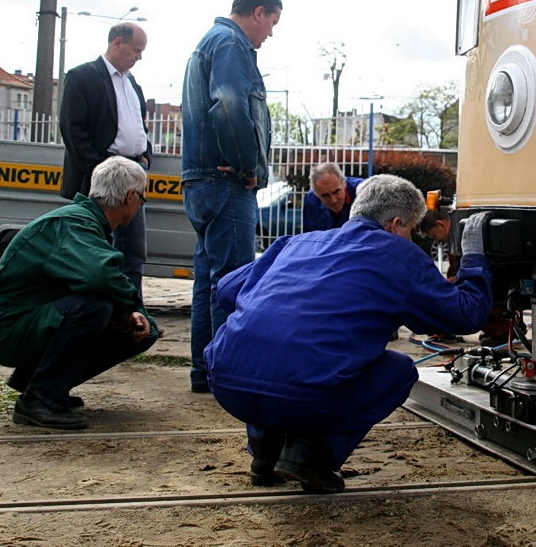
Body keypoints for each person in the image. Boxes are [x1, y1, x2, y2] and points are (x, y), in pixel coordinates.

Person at [204, 174, 493, 493]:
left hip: (226, 383)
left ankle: (264, 454)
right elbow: (467, 315)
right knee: (398, 371)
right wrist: (474, 256)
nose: (411, 239)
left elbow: (226, 289)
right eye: (411, 230)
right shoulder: (397, 254)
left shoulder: (297, 243)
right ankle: (311, 454)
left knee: (274, 348)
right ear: (396, 224)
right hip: (302, 395)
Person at [0, 157, 160, 430]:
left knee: (143, 329)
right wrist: (130, 310)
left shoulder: (83, 221)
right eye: (142, 199)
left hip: (27, 320)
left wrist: (133, 315)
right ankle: (40, 399)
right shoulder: (74, 224)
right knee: (93, 307)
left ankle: (42, 383)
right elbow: (100, 276)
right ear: (131, 197)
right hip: (7, 331)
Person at [180, 0, 283, 393]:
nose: (270, 34)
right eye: (272, 23)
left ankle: (206, 373)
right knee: (235, 281)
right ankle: (227, 375)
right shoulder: (230, 45)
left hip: (200, 181)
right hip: (226, 182)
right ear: (258, 12)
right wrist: (247, 166)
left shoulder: (209, 42)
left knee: (210, 280)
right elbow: (228, 103)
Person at [59, 22, 151, 297]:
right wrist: (102, 170)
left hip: (132, 175)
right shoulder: (82, 76)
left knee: (133, 253)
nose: (139, 57)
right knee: (93, 251)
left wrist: (145, 157)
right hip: (98, 179)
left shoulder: (132, 83)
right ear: (117, 43)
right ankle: (93, 313)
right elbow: (72, 130)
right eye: (136, 50)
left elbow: (138, 125)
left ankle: (131, 312)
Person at [420, 207, 509, 345]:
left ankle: (502, 330)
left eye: (433, 236)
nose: (436, 242)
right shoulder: (454, 241)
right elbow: (454, 273)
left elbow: (463, 276)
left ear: (441, 224)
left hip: (495, 288)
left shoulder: (460, 239)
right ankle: (502, 330)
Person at [302, 162, 364, 232]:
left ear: (344, 184)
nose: (333, 200)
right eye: (325, 195)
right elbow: (310, 235)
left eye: (336, 191)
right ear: (317, 195)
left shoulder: (362, 191)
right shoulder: (311, 201)